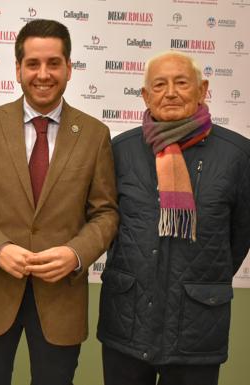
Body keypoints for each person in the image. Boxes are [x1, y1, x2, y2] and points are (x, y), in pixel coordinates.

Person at [0, 19, 118, 385]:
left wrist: (75, 254)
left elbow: (105, 213)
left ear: (69, 68)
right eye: (33, 64)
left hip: (61, 298)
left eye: (54, 63)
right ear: (18, 69)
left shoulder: (94, 134)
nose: (43, 74)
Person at [97, 51, 250, 385]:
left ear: (202, 89)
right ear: (145, 95)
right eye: (160, 84)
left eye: (181, 83)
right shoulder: (119, 151)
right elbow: (103, 221)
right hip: (127, 322)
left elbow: (238, 237)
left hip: (197, 326)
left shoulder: (238, 155)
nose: (170, 92)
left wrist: (200, 277)